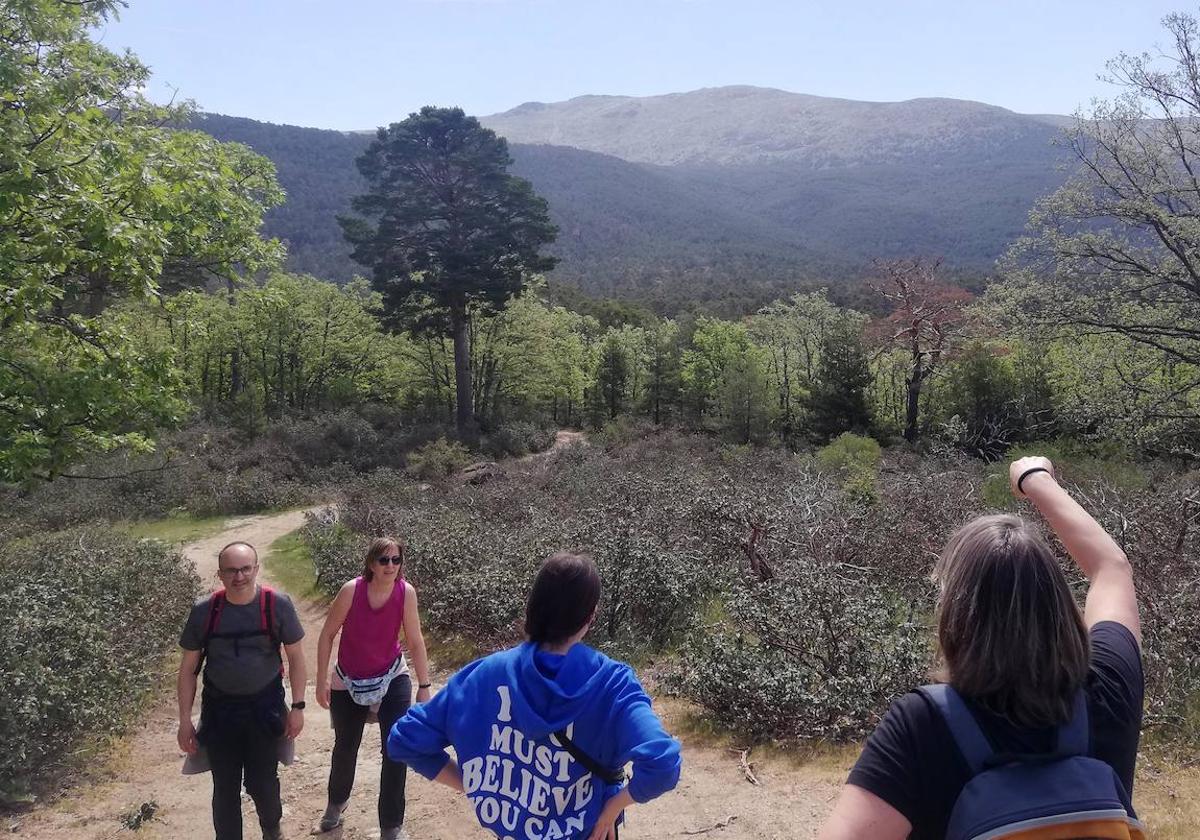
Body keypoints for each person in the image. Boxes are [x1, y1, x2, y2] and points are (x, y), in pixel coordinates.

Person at [818, 456, 1144, 840]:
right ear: (1058, 603)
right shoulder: (1109, 688)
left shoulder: (922, 725)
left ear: (956, 616)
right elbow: (1111, 567)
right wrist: (1034, 479)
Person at [387, 551, 682, 840]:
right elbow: (663, 764)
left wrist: (477, 784)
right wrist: (611, 809)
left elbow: (405, 741)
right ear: (590, 617)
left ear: (533, 607)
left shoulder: (484, 675)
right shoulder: (612, 684)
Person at [178, 541, 308, 840]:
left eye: (245, 569)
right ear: (220, 574)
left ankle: (272, 829)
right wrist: (185, 720)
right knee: (225, 788)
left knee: (262, 783)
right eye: (232, 570)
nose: (239, 577)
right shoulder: (204, 611)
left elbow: (296, 658)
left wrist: (298, 708)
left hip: (265, 710)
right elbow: (188, 670)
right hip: (220, 713)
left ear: (256, 569)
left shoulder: (277, 605)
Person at [314, 537, 432, 840]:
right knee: (345, 747)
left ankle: (391, 826)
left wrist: (424, 684)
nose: (390, 566)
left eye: (396, 560)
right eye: (384, 560)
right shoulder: (351, 591)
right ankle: (336, 804)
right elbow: (327, 635)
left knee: (395, 748)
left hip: (392, 675)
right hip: (349, 677)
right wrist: (322, 679)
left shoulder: (406, 594)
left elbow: (415, 640)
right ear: (371, 563)